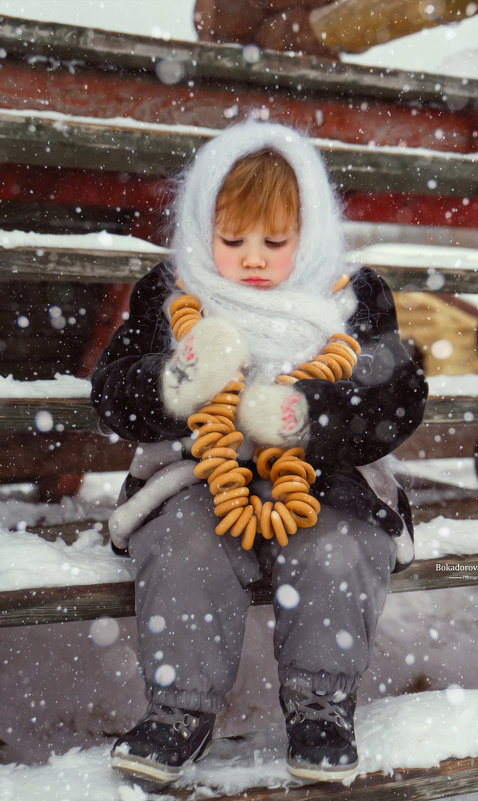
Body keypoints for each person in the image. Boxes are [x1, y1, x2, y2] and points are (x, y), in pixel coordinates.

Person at [91, 120, 428, 788]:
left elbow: (395, 397)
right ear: (198, 228)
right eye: (231, 239)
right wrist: (173, 382)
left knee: (335, 545)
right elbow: (113, 391)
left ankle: (320, 705)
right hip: (195, 475)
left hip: (323, 479)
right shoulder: (173, 293)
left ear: (311, 238)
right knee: (186, 543)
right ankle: (178, 709)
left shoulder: (350, 300)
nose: (251, 258)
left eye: (275, 242)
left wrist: (314, 416)